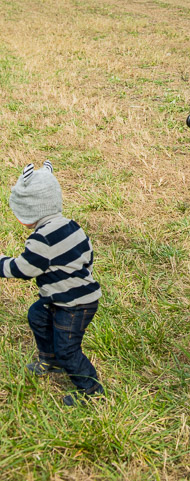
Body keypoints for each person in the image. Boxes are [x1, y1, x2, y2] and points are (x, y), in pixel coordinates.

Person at [0, 160, 104, 406]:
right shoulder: (71, 225)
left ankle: (92, 390)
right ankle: (50, 359)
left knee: (68, 348)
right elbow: (87, 253)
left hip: (74, 305)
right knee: (37, 315)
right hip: (64, 297)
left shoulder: (41, 240)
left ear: (31, 211)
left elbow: (24, 269)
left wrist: (1, 262)